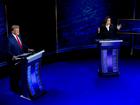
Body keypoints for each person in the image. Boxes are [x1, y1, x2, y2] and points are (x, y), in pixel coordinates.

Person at [8, 25, 34, 93]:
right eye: (16, 30)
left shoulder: (19, 36)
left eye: (18, 29)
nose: (18, 31)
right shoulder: (9, 39)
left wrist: (28, 49)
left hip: (21, 58)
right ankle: (14, 88)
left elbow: (21, 45)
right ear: (12, 31)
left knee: (19, 73)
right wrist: (12, 56)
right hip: (14, 60)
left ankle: (19, 86)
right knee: (14, 75)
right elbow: (6, 50)